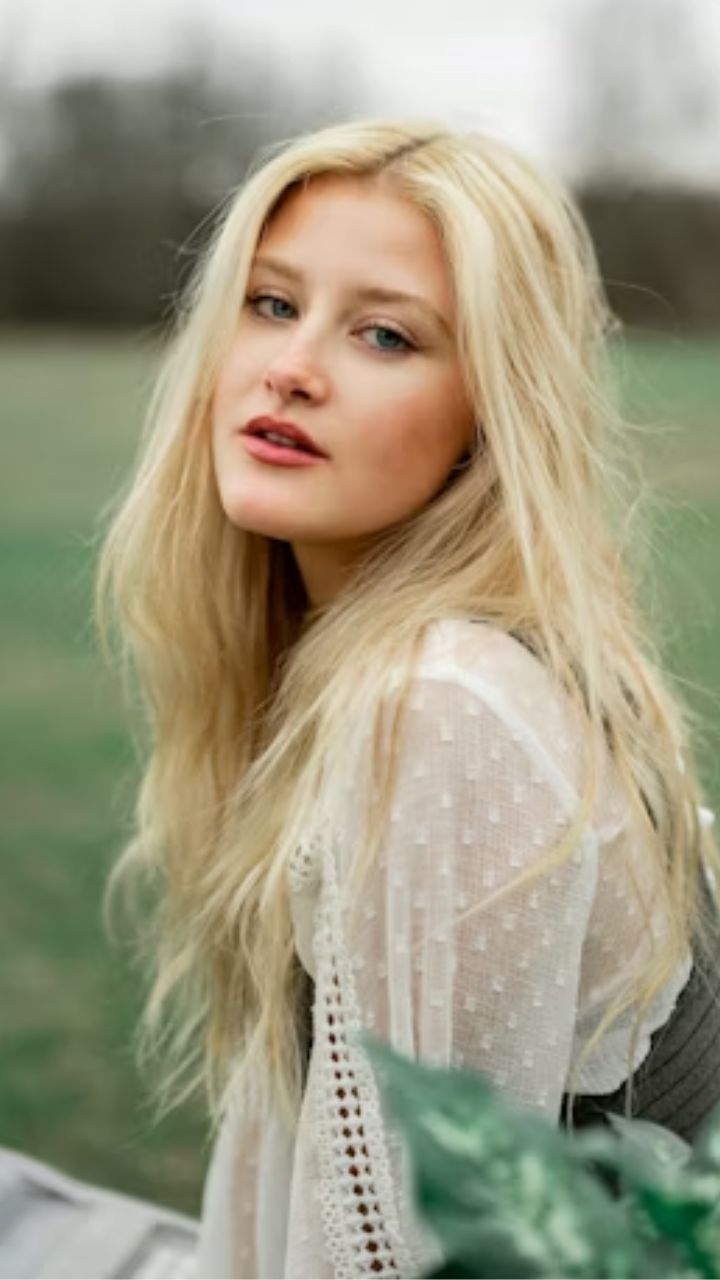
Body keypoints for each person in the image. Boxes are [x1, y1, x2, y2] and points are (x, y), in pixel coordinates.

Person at [95, 118, 720, 1279]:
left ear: (492, 413)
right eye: (271, 303)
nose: (292, 366)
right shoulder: (406, 664)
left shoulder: (441, 704)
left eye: (386, 334)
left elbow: (401, 1253)